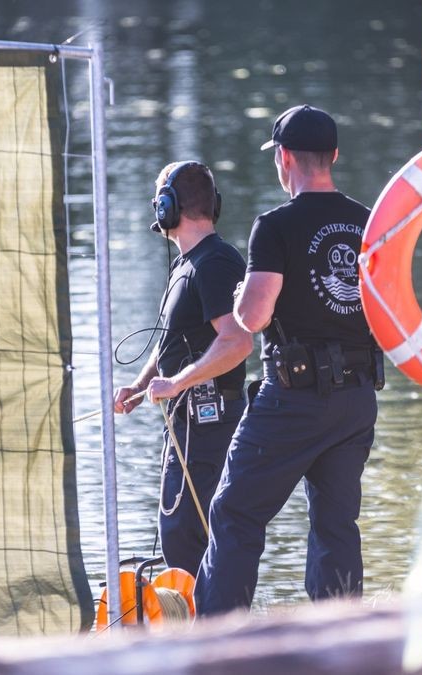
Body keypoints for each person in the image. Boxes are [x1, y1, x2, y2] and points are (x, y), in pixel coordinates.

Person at [195, 105, 383, 615]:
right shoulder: (368, 221)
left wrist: (238, 295)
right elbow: (388, 309)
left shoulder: (274, 226)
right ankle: (343, 642)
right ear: (334, 156)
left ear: (284, 159)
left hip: (295, 399)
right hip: (357, 397)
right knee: (336, 524)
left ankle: (217, 648)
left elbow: (253, 317)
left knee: (235, 512)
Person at [112, 161, 252, 575]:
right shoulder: (186, 265)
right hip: (186, 425)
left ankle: (213, 633)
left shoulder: (216, 264)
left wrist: (176, 383)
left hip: (209, 427)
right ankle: (200, 630)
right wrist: (140, 387)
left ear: (167, 207)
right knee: (179, 539)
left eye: (159, 199)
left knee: (189, 540)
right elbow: (174, 341)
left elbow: (237, 342)